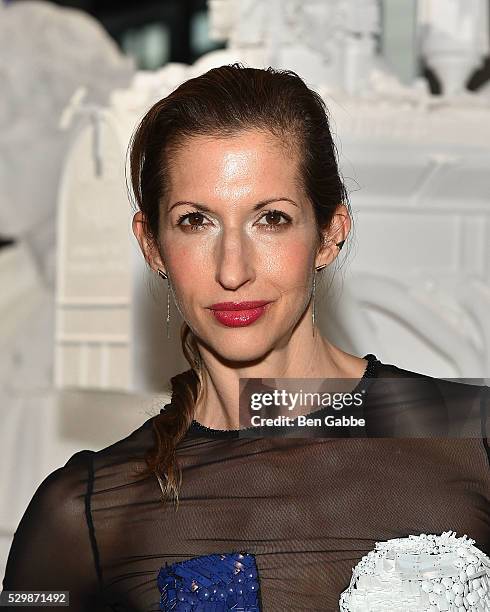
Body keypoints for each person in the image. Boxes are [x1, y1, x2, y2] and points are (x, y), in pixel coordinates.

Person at [2, 63, 489, 612]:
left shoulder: (473, 440)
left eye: (271, 219)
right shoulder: (83, 513)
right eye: (195, 222)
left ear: (330, 234)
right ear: (152, 246)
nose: (232, 270)